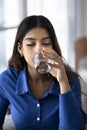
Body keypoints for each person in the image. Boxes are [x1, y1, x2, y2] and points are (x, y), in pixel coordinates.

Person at [0, 15, 87, 130]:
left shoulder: (70, 79)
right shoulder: (7, 79)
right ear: (20, 49)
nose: (40, 51)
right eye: (31, 44)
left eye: (46, 43)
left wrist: (63, 81)